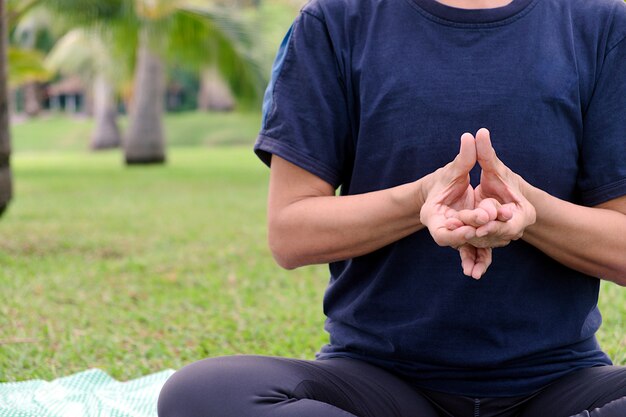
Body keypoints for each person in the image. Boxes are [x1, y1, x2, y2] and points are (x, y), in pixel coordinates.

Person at [157, 0, 626, 415]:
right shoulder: (334, 22)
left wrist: (530, 212)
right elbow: (290, 231)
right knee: (199, 394)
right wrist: (421, 200)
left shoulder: (602, 26)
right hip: (378, 381)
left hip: (558, 382)